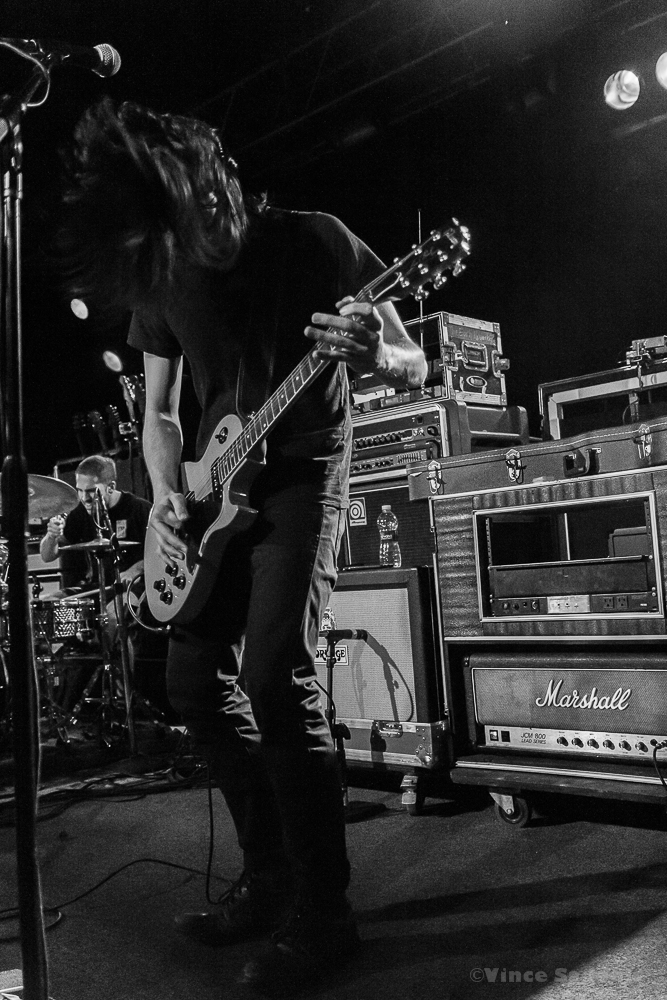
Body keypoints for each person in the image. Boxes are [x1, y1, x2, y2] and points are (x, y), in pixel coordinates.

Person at [58, 98, 427, 992]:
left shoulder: (316, 241)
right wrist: (166, 496)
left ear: (219, 185)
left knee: (274, 676)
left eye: (207, 216)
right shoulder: (162, 275)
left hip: (303, 468)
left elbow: (413, 361)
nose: (204, 240)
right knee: (190, 681)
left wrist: (376, 356)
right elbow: (157, 414)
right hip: (212, 491)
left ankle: (324, 914)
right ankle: (270, 879)